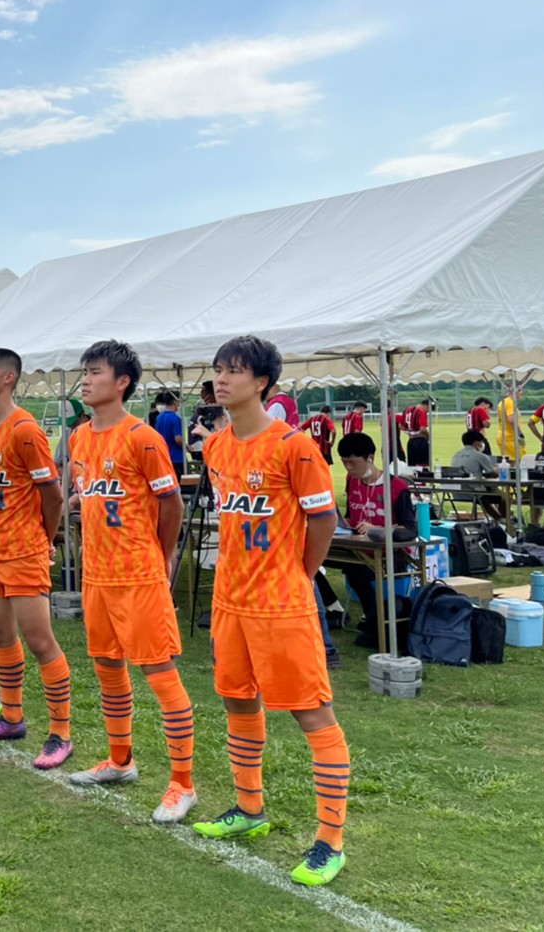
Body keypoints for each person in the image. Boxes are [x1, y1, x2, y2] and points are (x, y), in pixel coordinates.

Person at [192, 336, 349, 889]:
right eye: (218, 369)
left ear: (262, 382)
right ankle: (249, 808)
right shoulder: (216, 448)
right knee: (237, 698)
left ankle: (330, 842)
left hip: (281, 605)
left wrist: (299, 574)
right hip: (229, 601)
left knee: (311, 713)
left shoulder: (294, 446)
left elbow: (323, 520)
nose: (221, 379)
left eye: (234, 370)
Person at [63, 341, 195, 823]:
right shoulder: (80, 437)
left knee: (159, 674)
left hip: (138, 576)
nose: (86, 379)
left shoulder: (143, 437)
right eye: (85, 371)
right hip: (97, 576)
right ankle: (120, 762)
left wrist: (161, 556)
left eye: (95, 372)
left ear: (122, 382)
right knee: (106, 666)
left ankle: (183, 784)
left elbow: (171, 503)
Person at [0, 348, 73, 772]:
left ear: (9, 378)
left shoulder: (25, 429)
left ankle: (61, 733)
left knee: (40, 642)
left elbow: (53, 496)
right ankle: (11, 718)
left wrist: (43, 537)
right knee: (1, 637)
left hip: (22, 552)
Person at [334, 432, 418, 648]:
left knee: (356, 571)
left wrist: (379, 529)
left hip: (392, 554)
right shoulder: (352, 482)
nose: (348, 468)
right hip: (357, 549)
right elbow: (351, 516)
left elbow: (410, 529)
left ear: (370, 458)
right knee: (308, 559)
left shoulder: (397, 487)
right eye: (344, 463)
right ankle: (333, 607)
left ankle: (376, 622)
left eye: (353, 463)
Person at [449, 429, 508, 523]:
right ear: (476, 443)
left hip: (456, 492)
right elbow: (492, 474)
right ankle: (504, 520)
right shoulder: (480, 456)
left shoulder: (456, 455)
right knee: (504, 497)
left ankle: (499, 519)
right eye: (481, 442)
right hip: (473, 492)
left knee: (485, 497)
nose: (482, 444)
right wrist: (500, 469)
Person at [152, 391, 186, 472]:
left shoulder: (159, 417)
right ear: (175, 402)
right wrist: (187, 447)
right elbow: (178, 439)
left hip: (163, 455)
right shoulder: (176, 419)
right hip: (176, 457)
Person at [496, 380, 527, 463]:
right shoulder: (510, 403)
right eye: (520, 390)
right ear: (515, 390)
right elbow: (512, 420)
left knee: (510, 462)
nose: (522, 392)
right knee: (518, 462)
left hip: (504, 437)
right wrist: (520, 434)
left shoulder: (503, 402)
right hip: (510, 438)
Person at [403, 398, 434, 468]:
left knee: (412, 466)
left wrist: (410, 432)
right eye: (429, 409)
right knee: (422, 466)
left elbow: (401, 426)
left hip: (411, 441)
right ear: (426, 406)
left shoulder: (407, 410)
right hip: (421, 441)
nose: (428, 412)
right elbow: (423, 429)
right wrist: (428, 436)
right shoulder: (421, 411)